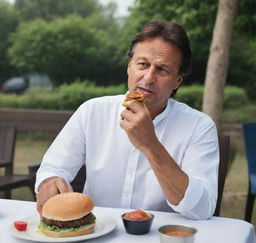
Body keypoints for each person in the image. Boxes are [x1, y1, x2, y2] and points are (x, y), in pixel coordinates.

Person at [35, 19, 219, 220]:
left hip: (159, 238)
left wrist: (150, 144)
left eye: (162, 69)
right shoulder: (93, 111)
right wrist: (49, 182)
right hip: (97, 231)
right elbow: (53, 168)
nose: (148, 77)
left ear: (177, 81)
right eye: (142, 64)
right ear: (129, 67)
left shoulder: (199, 126)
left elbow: (202, 209)